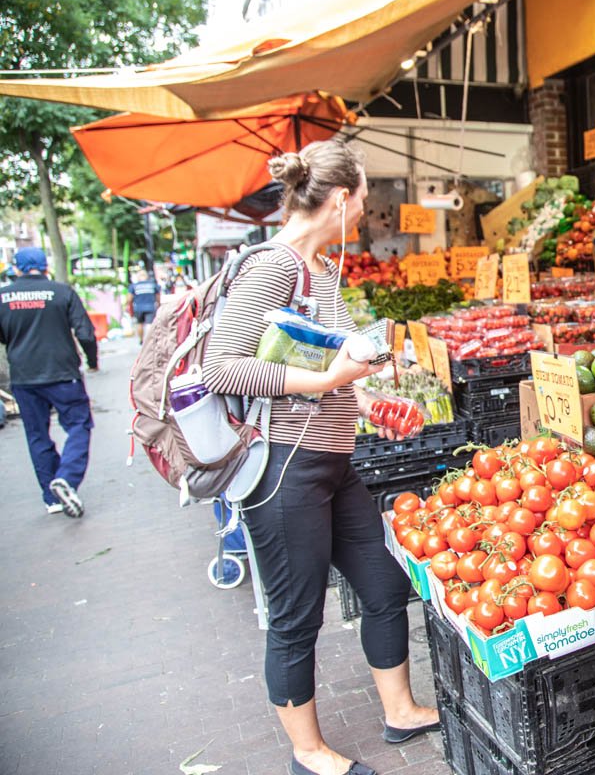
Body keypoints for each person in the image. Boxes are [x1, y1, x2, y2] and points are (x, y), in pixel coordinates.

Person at [202, 139, 437, 775]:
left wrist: (366, 405)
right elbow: (222, 368)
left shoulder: (320, 273)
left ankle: (401, 711)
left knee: (385, 585)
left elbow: (328, 361)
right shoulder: (272, 267)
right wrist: (331, 385)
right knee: (296, 614)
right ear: (338, 199)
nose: (363, 214)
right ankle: (308, 750)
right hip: (284, 471)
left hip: (331, 464)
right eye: (361, 202)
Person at [0, 247, 96, 517]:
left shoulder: (2, 297)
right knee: (79, 425)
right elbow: (85, 332)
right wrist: (92, 360)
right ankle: (67, 478)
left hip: (24, 377)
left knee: (36, 435)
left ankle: (51, 496)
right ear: (44, 266)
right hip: (64, 374)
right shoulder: (62, 291)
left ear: (17, 268)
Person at [128, 268, 160, 342]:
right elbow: (158, 296)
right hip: (150, 307)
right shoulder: (152, 285)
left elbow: (129, 299)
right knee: (150, 324)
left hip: (138, 307)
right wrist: (159, 304)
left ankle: (141, 340)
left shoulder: (134, 286)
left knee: (140, 324)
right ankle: (149, 340)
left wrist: (129, 306)